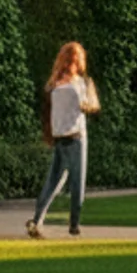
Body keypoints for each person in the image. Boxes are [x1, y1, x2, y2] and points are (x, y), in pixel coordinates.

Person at [27, 42, 99, 239]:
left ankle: (37, 220)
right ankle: (73, 224)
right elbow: (89, 106)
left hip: (63, 136)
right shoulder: (73, 83)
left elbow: (90, 105)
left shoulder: (56, 84)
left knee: (54, 181)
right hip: (75, 137)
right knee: (76, 182)